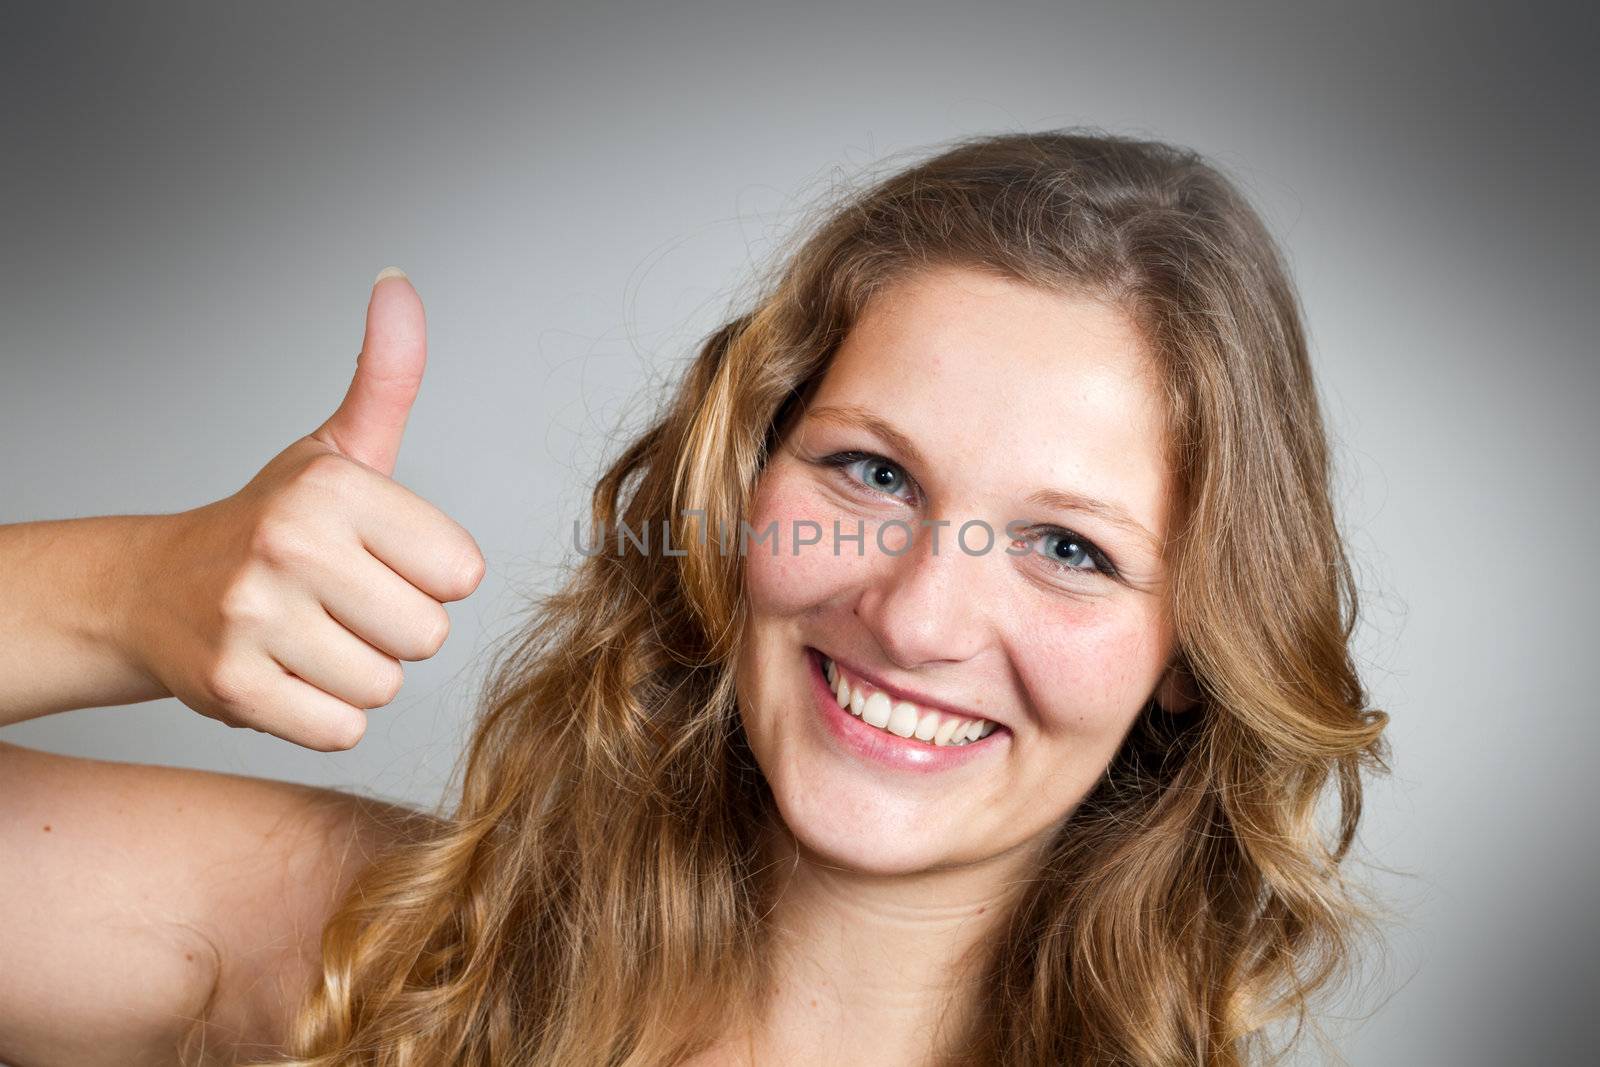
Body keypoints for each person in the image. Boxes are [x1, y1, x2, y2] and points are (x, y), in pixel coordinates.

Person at [0, 129, 1390, 1066]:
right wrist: (123, 594)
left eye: (1070, 549)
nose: (916, 619)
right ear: (743, 482)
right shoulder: (397, 948)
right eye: (869, 473)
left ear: (1195, 651)